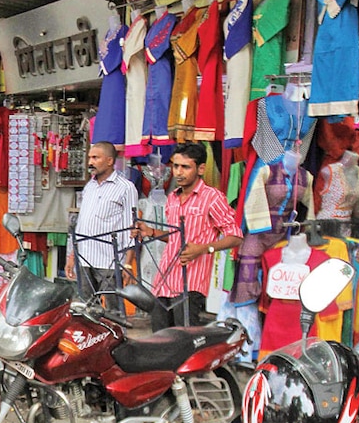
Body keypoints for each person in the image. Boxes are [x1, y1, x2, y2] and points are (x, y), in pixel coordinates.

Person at [132, 142, 242, 331]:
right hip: (164, 279)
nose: (179, 172)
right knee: (160, 338)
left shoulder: (212, 197)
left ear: (200, 169)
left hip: (190, 282)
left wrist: (203, 249)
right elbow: (176, 237)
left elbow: (236, 236)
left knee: (184, 339)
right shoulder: (172, 198)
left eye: (185, 167)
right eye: (175, 166)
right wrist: (151, 232)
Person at [65, 142, 141, 313]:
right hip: (85, 257)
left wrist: (128, 264)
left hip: (110, 261)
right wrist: (72, 256)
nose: (90, 162)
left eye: (95, 158)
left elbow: (132, 227)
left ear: (109, 161)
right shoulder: (89, 186)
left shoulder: (126, 188)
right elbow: (81, 223)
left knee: (114, 312)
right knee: (86, 309)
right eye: (90, 157)